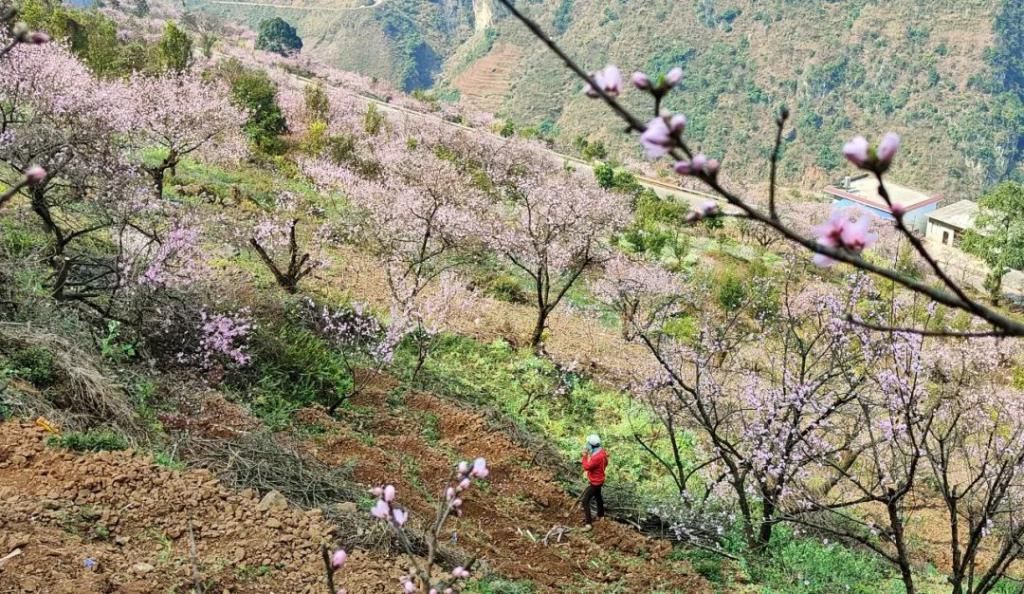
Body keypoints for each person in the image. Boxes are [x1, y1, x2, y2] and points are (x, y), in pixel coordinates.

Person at [580, 434, 608, 530]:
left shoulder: (596, 457)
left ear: (591, 445)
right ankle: (601, 516)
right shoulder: (602, 452)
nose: (587, 445)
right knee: (598, 497)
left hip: (595, 482)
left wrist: (584, 456)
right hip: (600, 479)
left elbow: (587, 467)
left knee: (585, 500)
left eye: (588, 443)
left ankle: (588, 524)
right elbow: (606, 463)